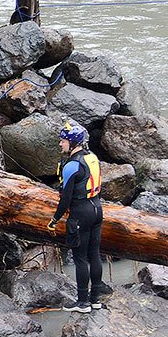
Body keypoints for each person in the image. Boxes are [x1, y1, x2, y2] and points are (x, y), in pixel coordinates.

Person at [48, 122, 110, 313]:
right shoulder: (92, 158)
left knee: (80, 258)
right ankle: (96, 300)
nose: (60, 144)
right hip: (97, 210)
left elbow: (65, 199)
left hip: (80, 214)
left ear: (72, 142)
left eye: (63, 141)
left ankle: (82, 303)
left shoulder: (72, 166)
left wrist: (55, 220)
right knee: (94, 254)